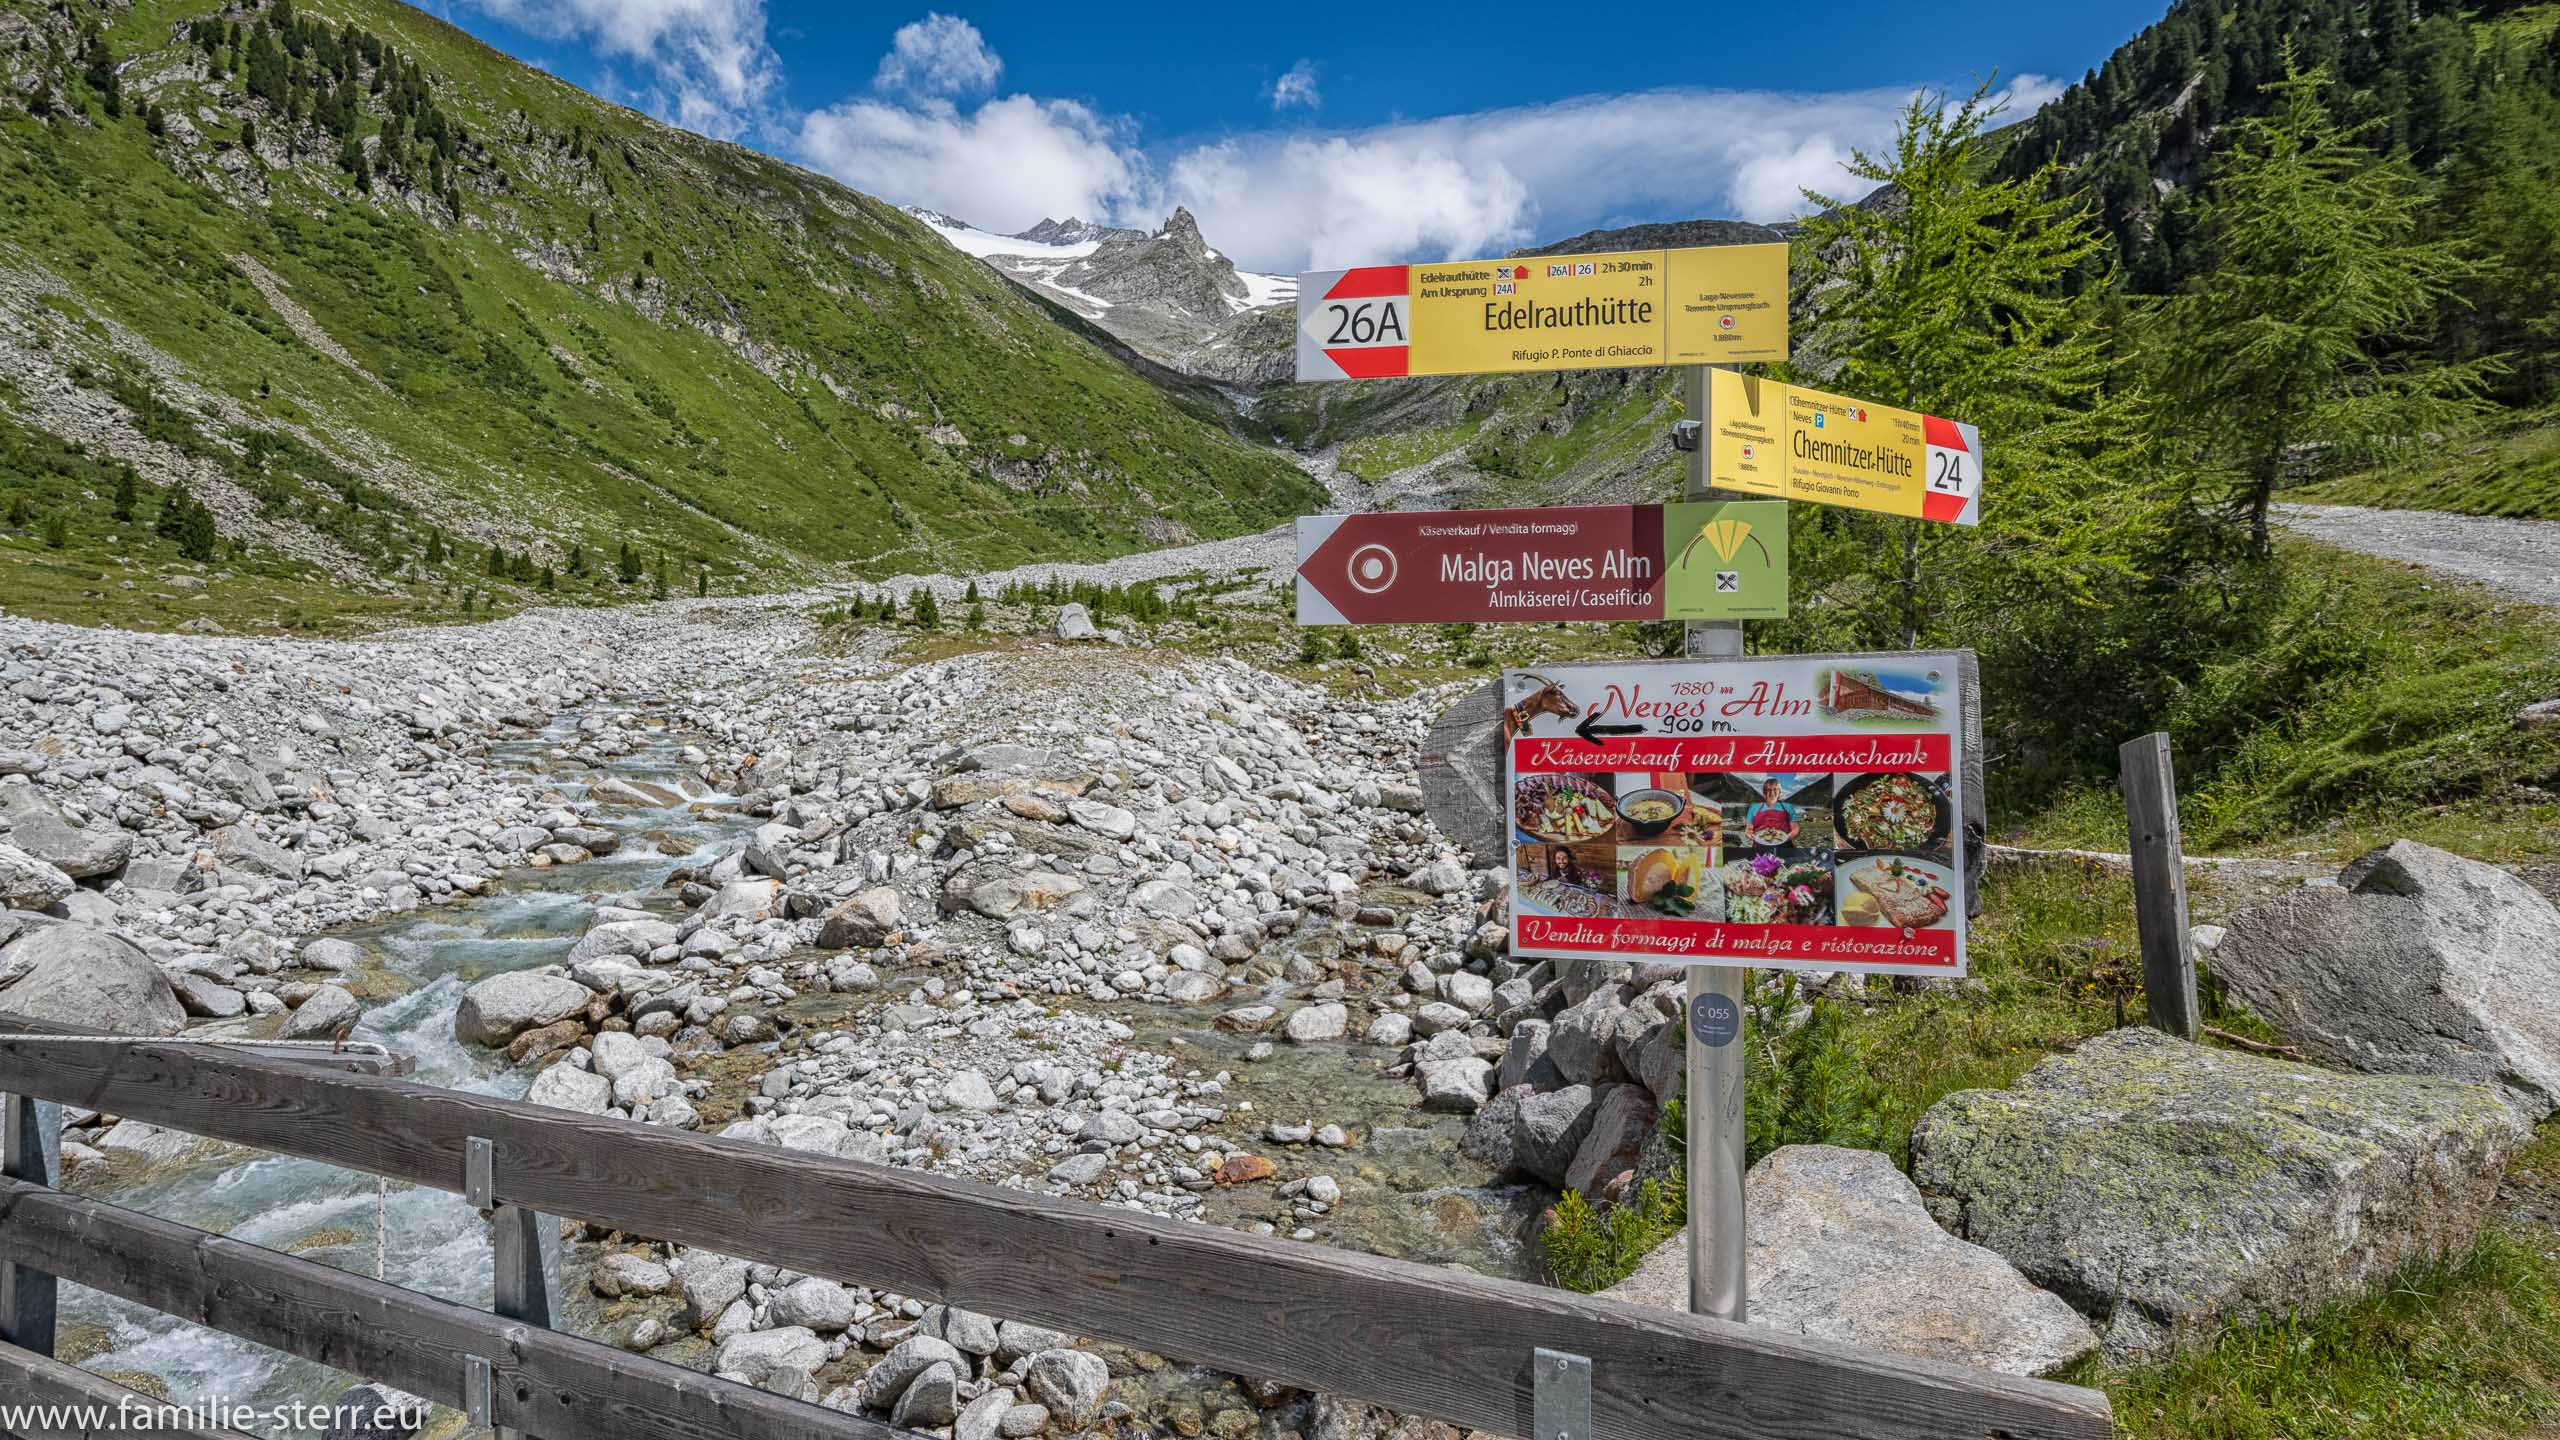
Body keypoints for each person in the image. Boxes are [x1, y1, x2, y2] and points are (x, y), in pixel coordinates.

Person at [1740, 777, 1800, 848]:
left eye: (1775, 789)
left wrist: (1788, 837)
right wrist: (1749, 834)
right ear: (1764, 792)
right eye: (1768, 790)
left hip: (1785, 845)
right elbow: (1749, 828)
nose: (1772, 792)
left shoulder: (1788, 807)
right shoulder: (1753, 808)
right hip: (1759, 846)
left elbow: (1795, 828)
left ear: (1780, 792)